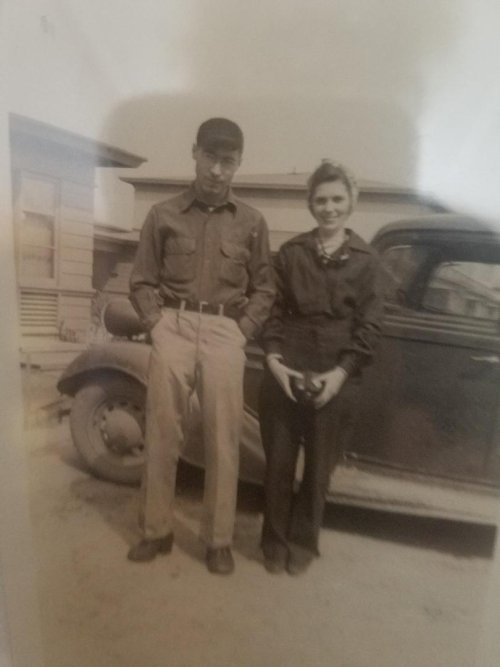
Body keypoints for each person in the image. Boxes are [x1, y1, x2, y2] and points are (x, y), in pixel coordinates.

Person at [128, 118, 275, 574]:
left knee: (223, 438)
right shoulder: (163, 214)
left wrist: (242, 329)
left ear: (239, 164)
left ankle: (217, 539)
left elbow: (266, 288)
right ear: (194, 153)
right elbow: (141, 280)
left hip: (224, 332)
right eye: (210, 158)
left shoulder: (252, 222)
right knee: (162, 432)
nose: (217, 170)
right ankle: (156, 530)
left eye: (227, 161)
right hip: (171, 324)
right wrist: (156, 324)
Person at [259, 160, 383, 575]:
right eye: (321, 200)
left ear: (352, 202)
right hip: (286, 367)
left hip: (336, 372)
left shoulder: (367, 261)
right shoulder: (291, 254)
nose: (329, 208)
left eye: (337, 199)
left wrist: (341, 374)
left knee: (317, 471)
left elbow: (369, 326)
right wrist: (275, 362)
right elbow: (271, 312)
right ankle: (273, 543)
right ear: (310, 203)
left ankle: (303, 544)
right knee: (277, 462)